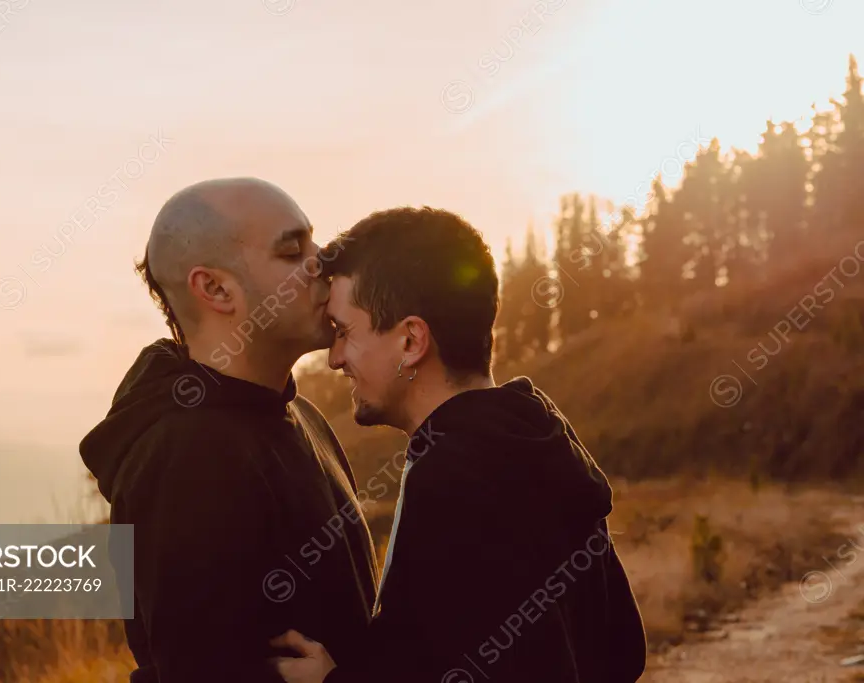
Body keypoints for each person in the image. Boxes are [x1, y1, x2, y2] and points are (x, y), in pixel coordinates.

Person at [269, 207, 646, 683]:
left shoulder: (451, 478)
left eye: (345, 332)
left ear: (411, 340)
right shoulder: (536, 439)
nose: (335, 358)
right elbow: (624, 649)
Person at [80, 178, 378, 682]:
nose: (322, 262)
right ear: (215, 289)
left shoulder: (300, 415)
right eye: (292, 251)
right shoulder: (186, 459)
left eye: (314, 241)